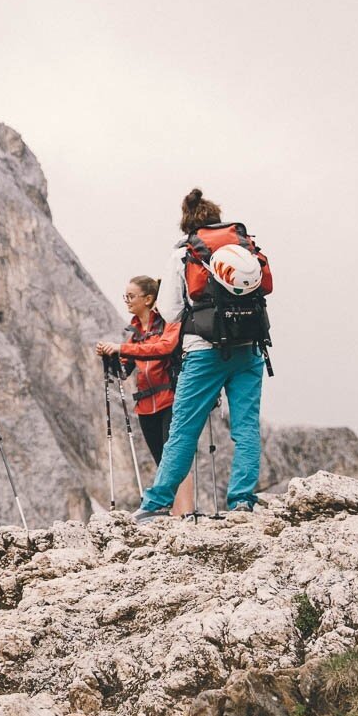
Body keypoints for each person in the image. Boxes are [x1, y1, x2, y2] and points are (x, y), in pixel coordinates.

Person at [96, 189, 271, 521]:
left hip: (203, 353)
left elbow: (171, 311)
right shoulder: (244, 247)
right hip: (249, 347)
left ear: (188, 223)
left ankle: (157, 502)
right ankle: (242, 501)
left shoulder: (184, 254)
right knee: (246, 427)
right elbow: (264, 289)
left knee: (183, 430)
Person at [98, 276, 194, 517]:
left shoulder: (167, 323)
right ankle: (174, 513)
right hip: (145, 405)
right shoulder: (135, 333)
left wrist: (121, 348)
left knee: (175, 457)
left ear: (148, 299)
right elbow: (124, 370)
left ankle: (185, 513)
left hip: (170, 399)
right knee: (162, 459)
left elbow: (164, 348)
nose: (127, 301)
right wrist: (111, 358)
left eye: (131, 296)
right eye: (126, 296)